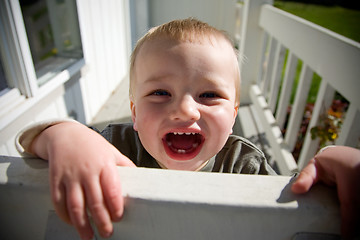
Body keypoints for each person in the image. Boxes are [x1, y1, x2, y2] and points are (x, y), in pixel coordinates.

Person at [16, 18, 359, 239]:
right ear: (133, 113)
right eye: (160, 93)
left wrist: (327, 164)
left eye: (209, 94)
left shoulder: (244, 164)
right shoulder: (114, 145)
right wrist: (66, 135)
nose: (184, 110)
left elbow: (287, 208)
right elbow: (33, 143)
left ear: (235, 113)